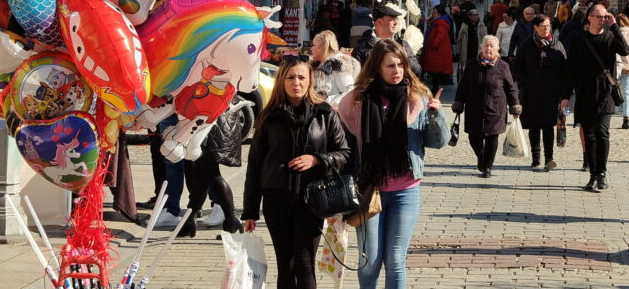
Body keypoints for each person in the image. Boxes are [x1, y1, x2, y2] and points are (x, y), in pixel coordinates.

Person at [338, 39, 449, 289]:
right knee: (370, 262)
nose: (397, 70)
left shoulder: (416, 98)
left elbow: (438, 142)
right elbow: (343, 146)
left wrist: (435, 115)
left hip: (405, 191)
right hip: (369, 190)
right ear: (377, 67)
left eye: (401, 64)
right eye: (390, 65)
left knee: (395, 259)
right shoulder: (356, 101)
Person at [242, 58, 351, 289]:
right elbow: (255, 166)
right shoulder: (269, 117)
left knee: (304, 262)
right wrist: (250, 211)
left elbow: (343, 153)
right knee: (285, 264)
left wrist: (317, 160)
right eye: (290, 77)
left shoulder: (325, 114)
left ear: (310, 80)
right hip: (276, 197)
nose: (296, 83)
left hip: (312, 197)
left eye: (301, 77)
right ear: (282, 81)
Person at [561, 4, 629, 191]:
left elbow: (625, 51)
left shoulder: (610, 37)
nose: (602, 20)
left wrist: (615, 26)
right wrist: (565, 96)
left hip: (605, 92)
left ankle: (602, 173)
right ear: (589, 18)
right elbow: (570, 71)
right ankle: (592, 174)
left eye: (605, 16)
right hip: (584, 93)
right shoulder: (579, 40)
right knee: (589, 136)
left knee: (602, 133)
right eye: (599, 16)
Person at [453, 35, 521, 177]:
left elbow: (511, 88)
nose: (488, 48)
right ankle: (481, 157)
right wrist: (459, 102)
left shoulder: (503, 66)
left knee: (492, 137)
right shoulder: (472, 65)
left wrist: (514, 104)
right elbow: (463, 86)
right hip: (474, 108)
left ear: (497, 49)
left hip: (495, 108)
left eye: (491, 46)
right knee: (474, 138)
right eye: (485, 45)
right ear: (481, 47)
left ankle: (488, 166)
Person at [179, 106, 245, 237]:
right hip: (209, 121)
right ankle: (190, 219)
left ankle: (232, 218)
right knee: (200, 175)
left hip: (210, 123)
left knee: (209, 172)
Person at [513, 15, 566, 171]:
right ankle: (536, 158)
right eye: (543, 26)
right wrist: (526, 84)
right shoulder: (527, 45)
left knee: (548, 125)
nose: (546, 28)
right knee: (534, 126)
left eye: (548, 25)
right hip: (531, 93)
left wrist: (561, 88)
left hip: (551, 93)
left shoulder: (556, 44)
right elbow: (518, 68)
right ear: (535, 27)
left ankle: (549, 158)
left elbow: (564, 68)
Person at [353, 5, 421, 77]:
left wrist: (405, 59)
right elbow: (356, 75)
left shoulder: (402, 44)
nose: (396, 23)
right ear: (379, 22)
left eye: (396, 19)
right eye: (391, 20)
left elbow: (418, 71)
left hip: (400, 88)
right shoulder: (362, 47)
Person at [311, 30, 361, 107]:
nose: (311, 49)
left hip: (334, 115)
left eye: (313, 45)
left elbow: (350, 92)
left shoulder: (339, 64)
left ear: (322, 47)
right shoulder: (317, 65)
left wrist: (325, 102)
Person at [424, 5, 454, 95]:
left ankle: (435, 88)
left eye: (434, 12)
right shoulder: (438, 22)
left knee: (436, 71)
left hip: (437, 52)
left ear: (439, 13)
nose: (433, 14)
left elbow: (440, 35)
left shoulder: (440, 23)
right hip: (437, 51)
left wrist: (433, 44)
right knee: (435, 71)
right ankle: (435, 87)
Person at [457, 8, 488, 74]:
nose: (476, 17)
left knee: (480, 67)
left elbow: (485, 36)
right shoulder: (464, 25)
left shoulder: (481, 24)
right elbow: (460, 39)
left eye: (477, 15)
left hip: (478, 50)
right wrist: (459, 51)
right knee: (469, 68)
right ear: (469, 16)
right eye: (474, 15)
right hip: (468, 50)